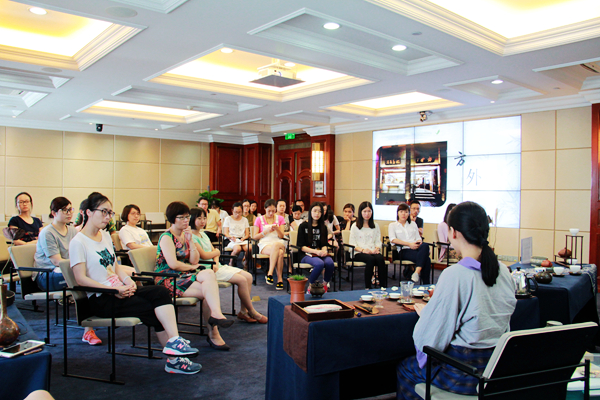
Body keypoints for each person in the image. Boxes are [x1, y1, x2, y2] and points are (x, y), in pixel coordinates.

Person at [70, 193, 201, 374]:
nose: (108, 217)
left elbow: (115, 267)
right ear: (88, 212)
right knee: (152, 308)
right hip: (101, 298)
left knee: (160, 292)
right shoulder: (78, 242)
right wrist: (114, 289)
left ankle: (174, 342)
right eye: (104, 212)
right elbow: (80, 279)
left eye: (110, 213)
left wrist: (128, 281)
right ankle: (174, 360)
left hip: (119, 290)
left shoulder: (105, 236)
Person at [396, 201, 517, 399]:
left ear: (453, 232)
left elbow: (433, 336)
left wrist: (427, 313)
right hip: (496, 370)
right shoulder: (503, 271)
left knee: (406, 368)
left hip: (463, 372)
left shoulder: (455, 274)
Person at [156, 201, 233, 351]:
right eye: (182, 217)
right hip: (169, 279)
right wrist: (192, 268)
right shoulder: (166, 237)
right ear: (172, 219)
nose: (186, 220)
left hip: (184, 276)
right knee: (208, 291)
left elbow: (194, 260)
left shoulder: (185, 235)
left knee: (209, 275)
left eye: (187, 217)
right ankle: (214, 332)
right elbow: (173, 264)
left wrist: (190, 241)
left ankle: (216, 316)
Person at [34, 196, 102, 345]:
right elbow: (56, 261)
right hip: (47, 275)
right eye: (64, 210)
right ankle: (88, 330)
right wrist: (80, 266)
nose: (69, 213)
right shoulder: (47, 232)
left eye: (70, 209)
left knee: (90, 276)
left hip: (65, 271)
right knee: (83, 280)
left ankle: (96, 317)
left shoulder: (72, 230)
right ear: (54, 213)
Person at [190, 207, 267, 324]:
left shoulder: (203, 234)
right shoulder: (191, 237)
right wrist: (215, 254)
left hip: (216, 265)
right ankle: (252, 311)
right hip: (206, 269)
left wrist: (216, 260)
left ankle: (243, 311)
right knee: (242, 280)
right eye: (199, 218)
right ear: (192, 219)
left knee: (248, 276)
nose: (203, 221)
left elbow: (215, 251)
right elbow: (205, 255)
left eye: (204, 218)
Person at [388, 203, 431, 284]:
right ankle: (426, 284)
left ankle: (416, 272)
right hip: (403, 250)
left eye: (406, 212)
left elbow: (418, 238)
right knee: (426, 259)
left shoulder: (413, 224)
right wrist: (409, 244)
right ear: (398, 213)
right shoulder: (393, 225)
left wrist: (418, 243)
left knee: (425, 245)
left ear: (409, 213)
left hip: (415, 248)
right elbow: (393, 239)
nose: (403, 214)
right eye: (401, 212)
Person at [296, 203, 334, 294]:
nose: (317, 213)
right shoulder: (303, 226)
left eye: (320, 211)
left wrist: (324, 250)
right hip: (306, 254)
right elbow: (301, 247)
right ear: (310, 212)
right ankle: (311, 286)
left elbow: (324, 244)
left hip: (319, 253)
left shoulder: (323, 227)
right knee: (319, 263)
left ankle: (324, 285)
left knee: (330, 262)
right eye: (315, 211)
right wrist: (316, 252)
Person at [349, 201, 387, 289]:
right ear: (360, 212)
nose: (367, 214)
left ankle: (383, 286)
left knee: (380, 259)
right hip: (359, 252)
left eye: (369, 211)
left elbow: (378, 240)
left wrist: (376, 248)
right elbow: (352, 243)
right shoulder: (355, 226)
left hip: (372, 250)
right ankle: (368, 286)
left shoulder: (375, 225)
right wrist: (363, 250)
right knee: (370, 259)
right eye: (365, 211)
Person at [253, 199, 286, 290]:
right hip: (265, 243)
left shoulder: (280, 218)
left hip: (278, 242)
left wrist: (277, 229)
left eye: (273, 211)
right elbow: (255, 236)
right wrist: (266, 231)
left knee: (276, 245)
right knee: (280, 253)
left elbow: (281, 236)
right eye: (269, 211)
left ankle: (270, 273)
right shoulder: (259, 219)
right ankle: (279, 279)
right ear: (265, 209)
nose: (271, 213)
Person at [222, 202, 250, 269]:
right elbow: (226, 233)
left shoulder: (245, 220)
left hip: (241, 239)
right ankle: (231, 262)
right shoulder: (228, 219)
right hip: (231, 239)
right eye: (236, 212)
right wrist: (231, 237)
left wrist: (244, 238)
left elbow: (247, 234)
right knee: (237, 249)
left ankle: (245, 262)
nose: (237, 214)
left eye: (239, 212)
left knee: (250, 248)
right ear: (232, 211)